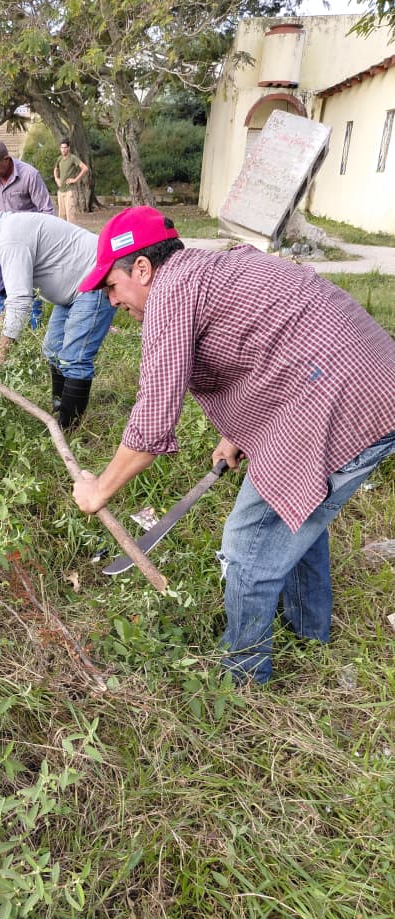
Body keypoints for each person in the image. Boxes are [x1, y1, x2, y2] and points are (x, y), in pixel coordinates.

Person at [72, 205, 395, 686]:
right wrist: (237, 432)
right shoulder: (209, 270)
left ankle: (241, 676)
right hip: (372, 379)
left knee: (247, 546)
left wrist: (99, 491)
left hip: (337, 400)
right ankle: (308, 635)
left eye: (112, 286)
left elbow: (154, 416)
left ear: (142, 268)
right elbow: (265, 343)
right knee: (297, 511)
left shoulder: (170, 293)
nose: (111, 299)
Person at [0, 192, 115, 429]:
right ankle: (59, 411)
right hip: (72, 292)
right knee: (52, 350)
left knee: (74, 359)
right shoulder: (9, 230)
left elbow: (20, 301)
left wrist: (2, 352)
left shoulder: (10, 237)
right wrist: (3, 317)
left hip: (94, 282)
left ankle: (69, 429)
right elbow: (17, 292)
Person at [0, 139, 54, 329]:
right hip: (3, 241)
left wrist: (43, 244)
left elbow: (47, 211)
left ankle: (35, 328)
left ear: (7, 159)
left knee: (30, 286)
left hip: (28, 243)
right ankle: (3, 326)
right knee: (4, 283)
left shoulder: (29, 175)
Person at [53, 138, 89, 224]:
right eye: (62, 147)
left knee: (70, 217)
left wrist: (75, 179)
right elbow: (55, 169)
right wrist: (56, 179)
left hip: (70, 191)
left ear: (68, 148)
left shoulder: (73, 158)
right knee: (61, 216)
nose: (63, 149)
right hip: (61, 191)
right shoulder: (59, 159)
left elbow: (85, 168)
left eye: (65, 147)